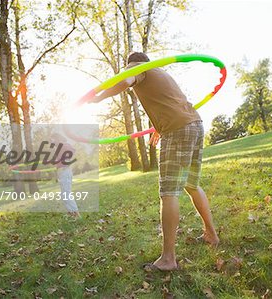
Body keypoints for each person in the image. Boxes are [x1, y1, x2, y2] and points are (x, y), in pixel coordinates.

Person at [89, 52, 219, 271]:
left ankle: (168, 259)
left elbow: (125, 80)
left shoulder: (137, 68)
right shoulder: (159, 71)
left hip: (177, 129)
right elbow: (164, 100)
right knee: (191, 184)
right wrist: (158, 128)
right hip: (194, 124)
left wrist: (99, 96)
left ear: (132, 64)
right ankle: (212, 235)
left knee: (169, 192)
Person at [51, 133, 80, 218]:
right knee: (64, 195)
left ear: (57, 139)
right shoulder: (59, 148)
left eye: (53, 139)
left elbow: (72, 151)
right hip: (61, 172)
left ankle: (77, 215)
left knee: (67, 194)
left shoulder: (64, 145)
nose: (52, 142)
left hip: (65, 172)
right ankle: (71, 213)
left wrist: (64, 160)